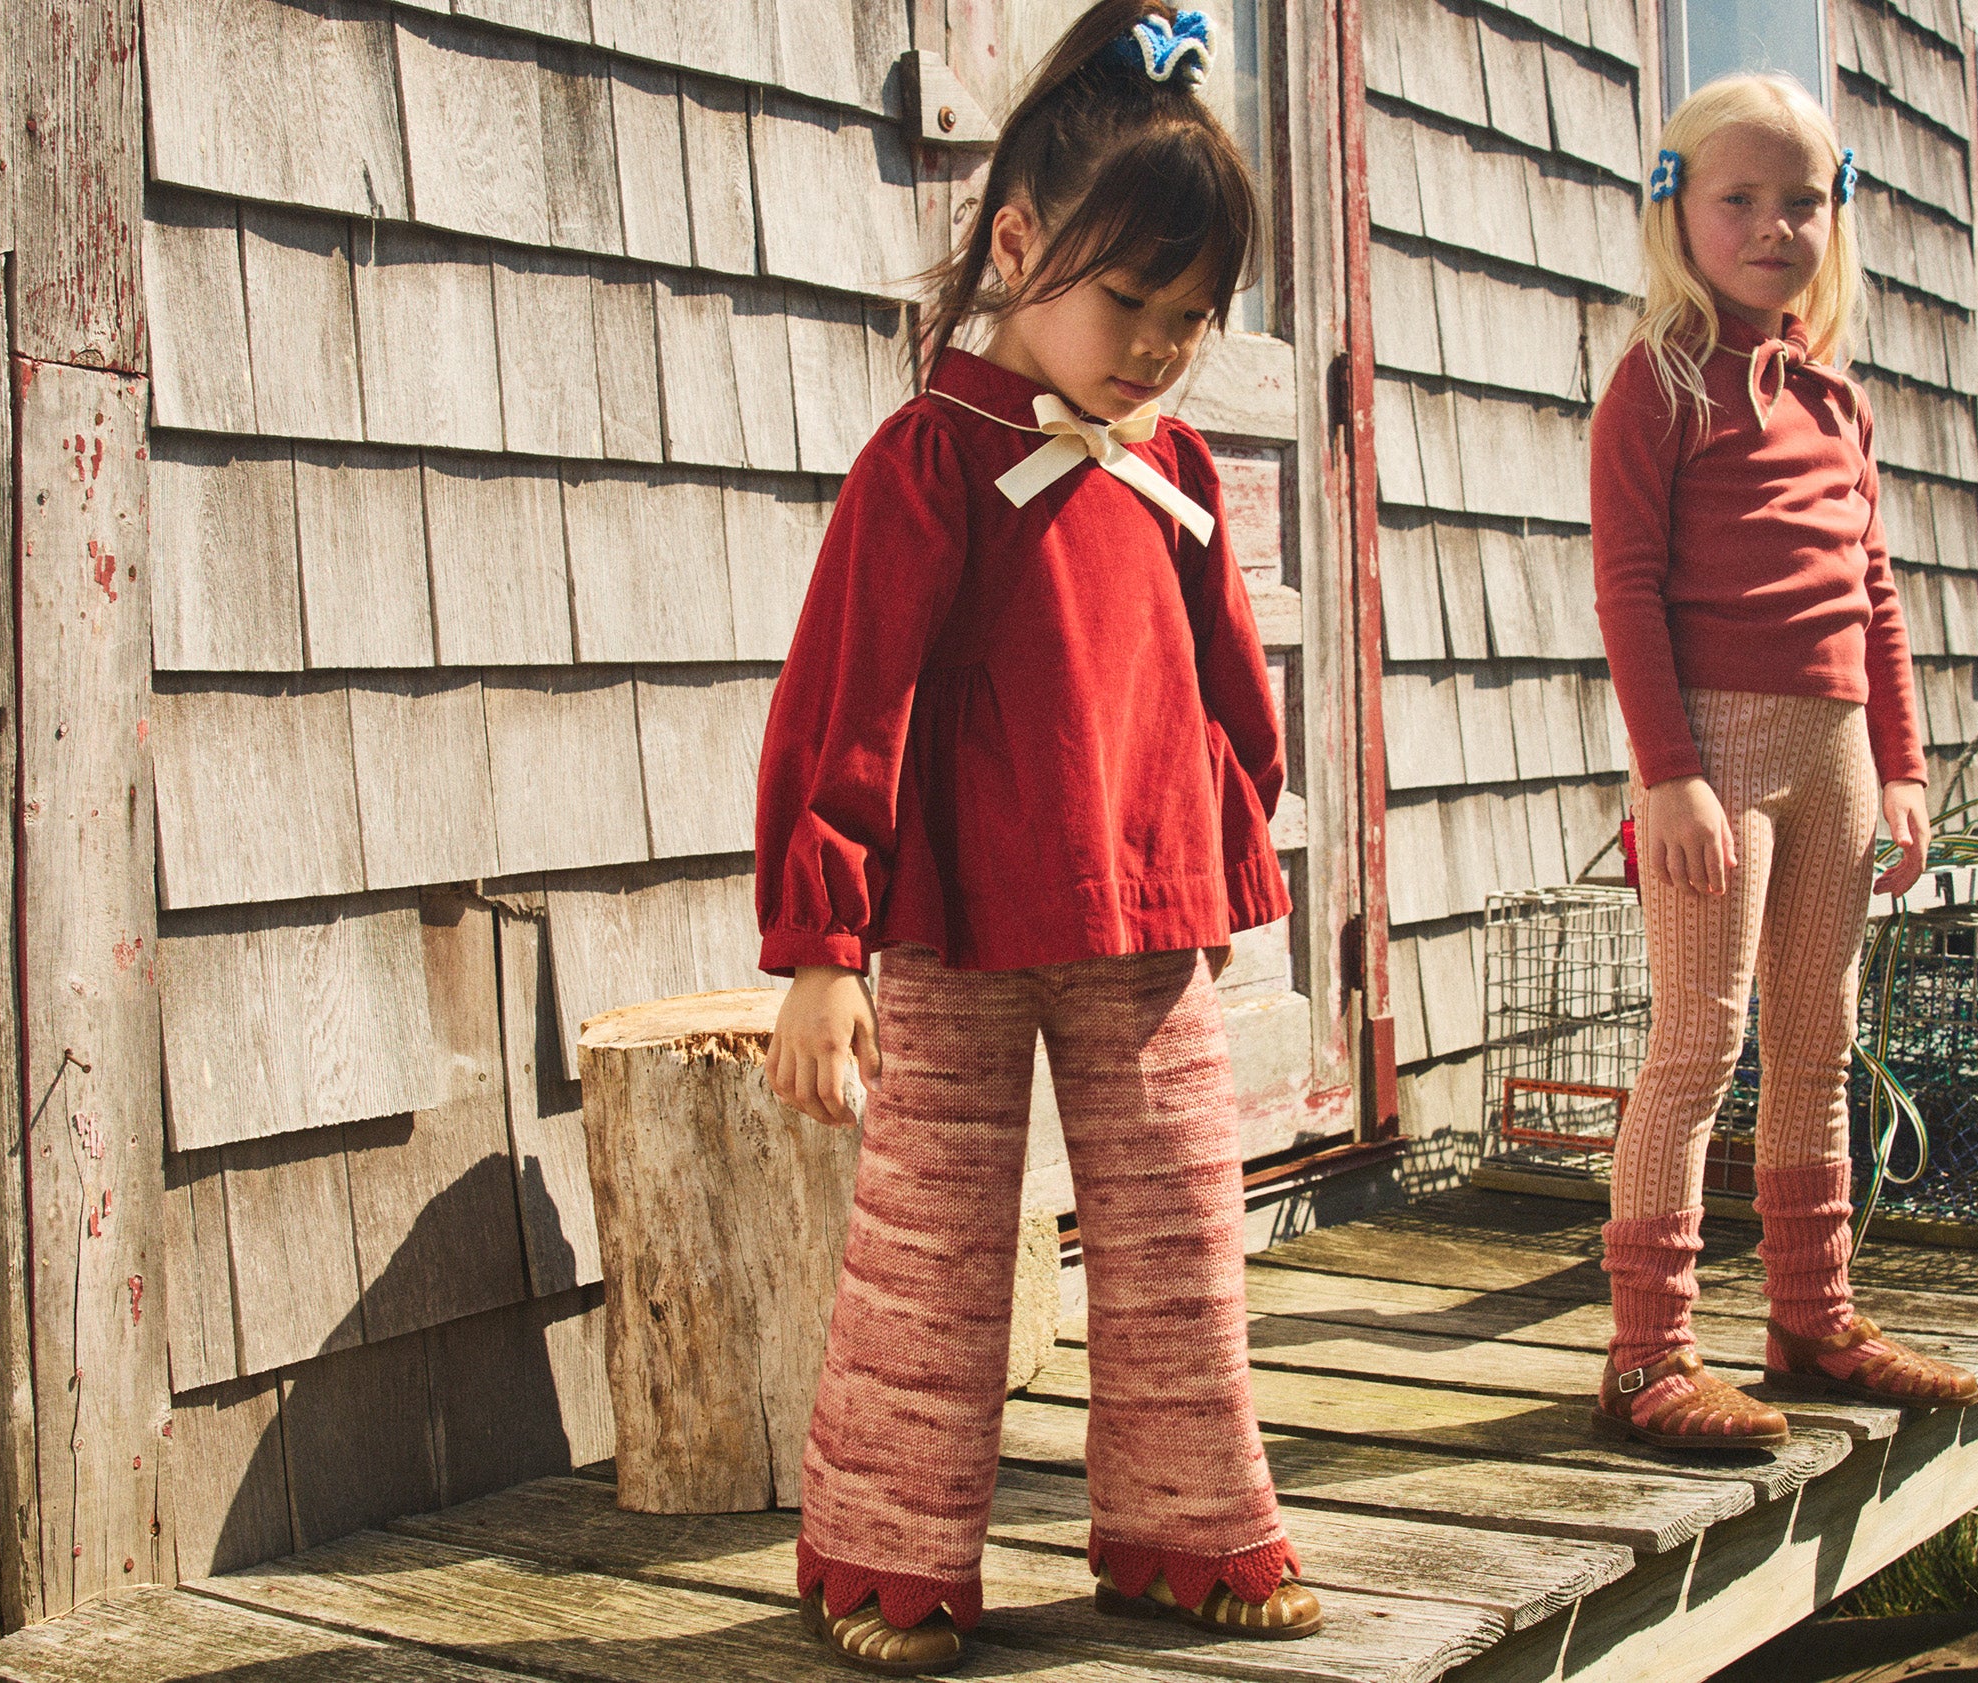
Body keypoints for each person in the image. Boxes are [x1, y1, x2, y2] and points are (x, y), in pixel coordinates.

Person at [752, 0, 1320, 1669]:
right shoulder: (928, 463)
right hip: (954, 924)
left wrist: (1228, 847)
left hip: (1149, 930)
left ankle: (1182, 1533)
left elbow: (1231, 691)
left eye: (1191, 318)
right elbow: (846, 700)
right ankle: (883, 1554)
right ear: (1016, 244)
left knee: (1180, 1243)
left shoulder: (1177, 470)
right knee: (931, 1253)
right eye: (1127, 301)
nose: (1155, 348)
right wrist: (821, 948)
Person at [1588, 73, 1978, 1451]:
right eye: (1739, 199)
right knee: (1700, 1041)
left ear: (1836, 216)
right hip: (1713, 759)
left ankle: (1814, 1317)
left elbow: (1877, 597)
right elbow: (1628, 590)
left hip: (1835, 759)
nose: (1773, 227)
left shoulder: (1837, 403)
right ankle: (1648, 1355)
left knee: (1819, 1042)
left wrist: (1905, 768)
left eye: (1802, 202)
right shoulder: (1657, 386)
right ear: (1677, 212)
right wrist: (1671, 774)